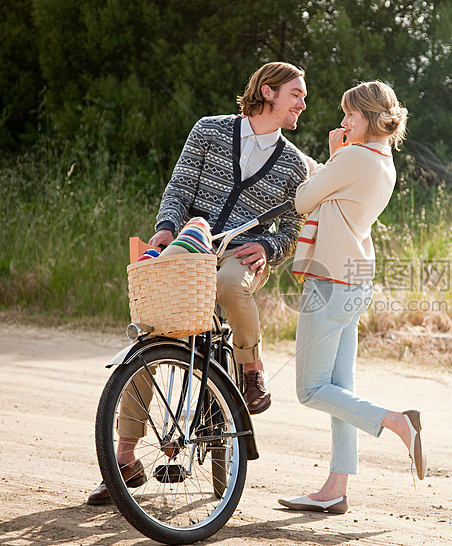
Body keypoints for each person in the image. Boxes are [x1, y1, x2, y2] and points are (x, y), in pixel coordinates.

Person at [87, 61, 316, 506]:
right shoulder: (209, 131)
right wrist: (166, 227)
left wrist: (268, 247)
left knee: (231, 285)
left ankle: (251, 369)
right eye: (296, 94)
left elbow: (293, 225)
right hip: (192, 244)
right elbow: (179, 187)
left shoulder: (294, 164)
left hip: (241, 255)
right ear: (267, 92)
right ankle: (125, 460)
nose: (303, 104)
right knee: (152, 337)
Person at [278, 81, 426, 515]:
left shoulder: (355, 156)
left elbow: (304, 199)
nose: (343, 123)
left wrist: (334, 154)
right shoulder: (384, 161)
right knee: (340, 388)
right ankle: (336, 488)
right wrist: (339, 155)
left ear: (370, 118)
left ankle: (397, 422)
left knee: (311, 390)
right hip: (356, 278)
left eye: (350, 116)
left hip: (330, 281)